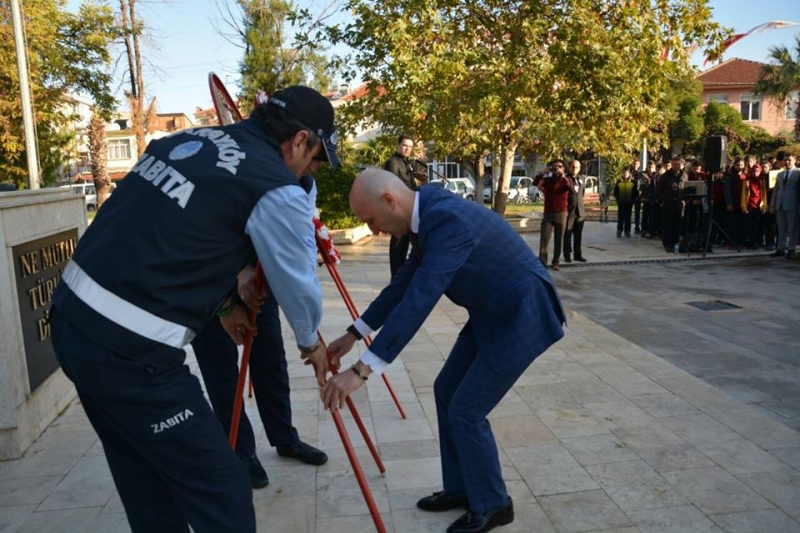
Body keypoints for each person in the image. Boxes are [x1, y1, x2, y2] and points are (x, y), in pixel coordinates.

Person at [48, 85, 338, 533]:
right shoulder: (275, 185)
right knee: (223, 490)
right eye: (316, 158)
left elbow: (172, 235)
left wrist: (224, 305)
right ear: (300, 140)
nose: (312, 169)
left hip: (70, 320)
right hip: (130, 353)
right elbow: (297, 284)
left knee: (147, 484)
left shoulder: (188, 142)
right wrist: (310, 343)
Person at [321, 169, 566, 533]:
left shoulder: (445, 221)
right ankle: (462, 488)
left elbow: (420, 300)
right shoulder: (426, 217)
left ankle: (495, 503)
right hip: (491, 311)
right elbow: (404, 284)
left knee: (466, 410)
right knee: (446, 390)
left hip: (522, 314)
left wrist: (361, 371)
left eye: (371, 220)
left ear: (390, 201)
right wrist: (355, 332)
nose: (373, 231)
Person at [190, 264, 328, 491]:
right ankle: (241, 451)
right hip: (204, 284)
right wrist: (224, 304)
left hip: (254, 282)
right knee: (221, 375)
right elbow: (188, 247)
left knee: (271, 361)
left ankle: (285, 437)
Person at [384, 134, 418, 277]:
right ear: (398, 145)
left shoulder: (406, 163)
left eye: (410, 147)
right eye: (405, 145)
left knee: (405, 242)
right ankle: (396, 274)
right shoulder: (392, 162)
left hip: (409, 209)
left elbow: (410, 184)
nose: (407, 149)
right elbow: (392, 186)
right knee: (398, 241)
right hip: (398, 209)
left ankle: (402, 273)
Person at [533, 160, 571, 271]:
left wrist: (563, 175)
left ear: (563, 168)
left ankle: (556, 262)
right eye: (554, 166)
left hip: (561, 213)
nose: (556, 168)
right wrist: (543, 172)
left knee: (559, 239)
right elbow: (536, 183)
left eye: (559, 166)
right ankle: (542, 263)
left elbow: (570, 187)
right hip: (548, 213)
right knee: (544, 238)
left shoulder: (566, 180)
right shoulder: (547, 180)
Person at [769, 153, 800, 259]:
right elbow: (776, 190)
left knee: (792, 229)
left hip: (792, 204)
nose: (787, 162)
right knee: (781, 228)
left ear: (794, 161)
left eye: (789, 160)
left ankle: (791, 249)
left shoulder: (798, 173)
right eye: (785, 160)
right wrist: (772, 205)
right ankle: (780, 248)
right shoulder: (780, 174)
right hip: (780, 205)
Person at [656, 156, 687, 253]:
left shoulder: (684, 175)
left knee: (678, 225)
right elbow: (659, 190)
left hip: (680, 204)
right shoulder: (665, 176)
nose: (677, 166)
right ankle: (668, 244)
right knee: (668, 225)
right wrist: (661, 202)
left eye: (678, 164)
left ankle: (675, 243)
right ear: (671, 165)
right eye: (675, 165)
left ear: (681, 165)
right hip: (668, 204)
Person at [563, 159, 588, 262]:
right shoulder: (565, 179)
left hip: (580, 212)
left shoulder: (581, 179)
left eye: (577, 167)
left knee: (578, 235)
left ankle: (578, 254)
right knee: (567, 235)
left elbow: (581, 194)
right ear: (569, 167)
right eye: (573, 167)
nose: (575, 169)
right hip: (569, 212)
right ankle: (567, 255)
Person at [613, 166, 637, 238]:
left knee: (628, 218)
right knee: (620, 217)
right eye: (623, 173)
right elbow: (615, 192)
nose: (625, 174)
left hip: (629, 203)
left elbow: (635, 193)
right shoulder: (619, 182)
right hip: (621, 203)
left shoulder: (633, 182)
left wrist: (632, 200)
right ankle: (619, 230)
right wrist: (618, 199)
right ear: (621, 173)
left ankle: (627, 231)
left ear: (629, 173)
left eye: (626, 172)